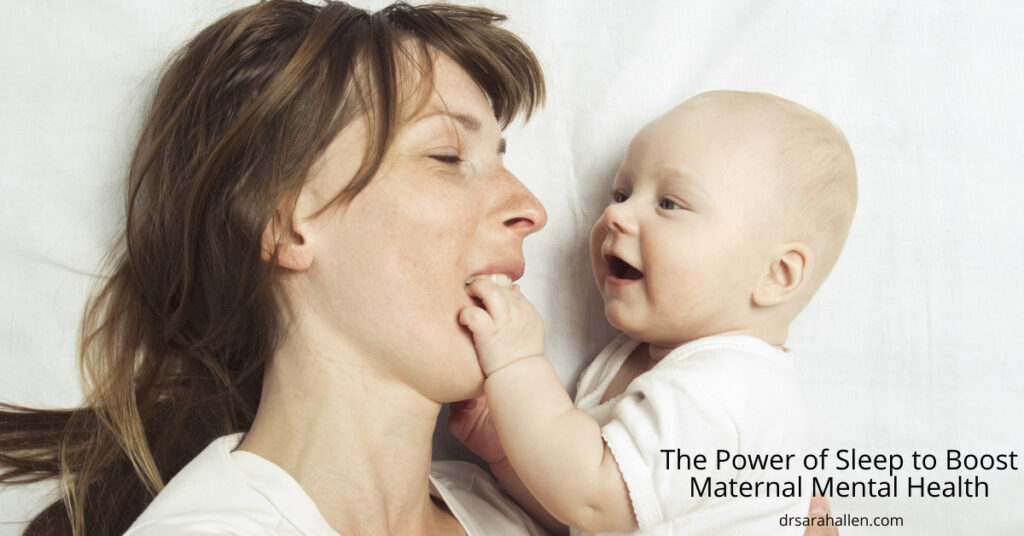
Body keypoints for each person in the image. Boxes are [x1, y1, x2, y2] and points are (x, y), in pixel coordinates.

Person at [0, 1, 842, 534]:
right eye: (447, 157)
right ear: (287, 221)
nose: (535, 209)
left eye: (506, 159)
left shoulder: (510, 509)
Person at [452, 90, 857, 535]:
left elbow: (592, 498)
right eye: (622, 193)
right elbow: (588, 519)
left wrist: (517, 362)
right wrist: (507, 450)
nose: (615, 214)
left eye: (669, 203)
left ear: (776, 275)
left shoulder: (728, 388)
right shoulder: (637, 358)